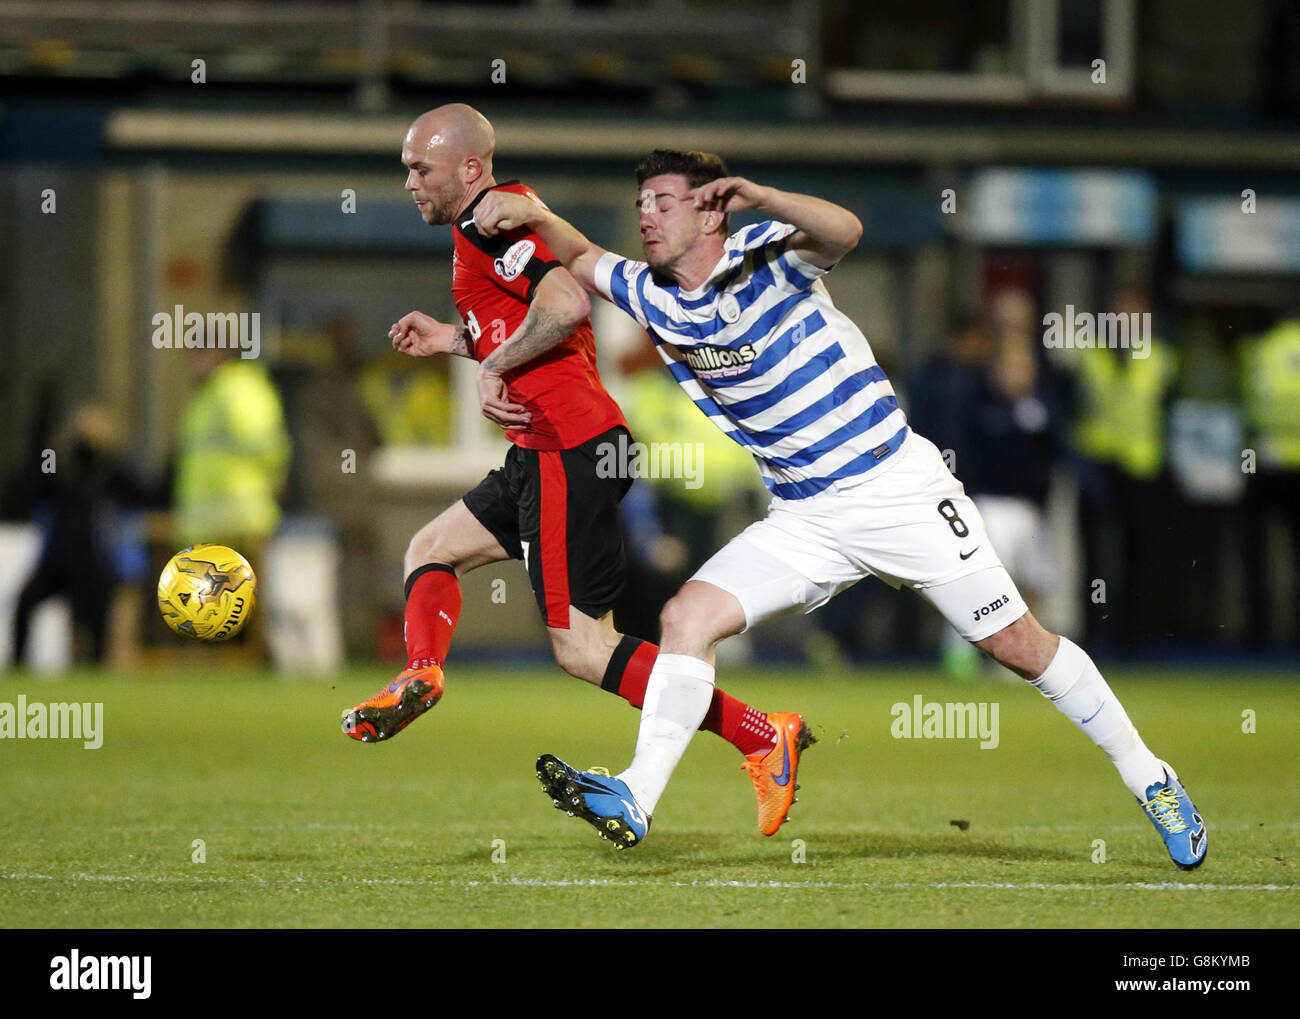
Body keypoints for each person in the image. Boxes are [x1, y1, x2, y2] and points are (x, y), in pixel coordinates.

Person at [473, 149, 1208, 869]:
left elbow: (845, 230)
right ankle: (636, 793)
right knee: (684, 617)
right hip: (804, 517)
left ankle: (1153, 778)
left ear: (710, 210)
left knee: (1020, 645)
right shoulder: (647, 289)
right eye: (642, 207)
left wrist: (762, 194)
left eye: (663, 203)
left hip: (898, 492)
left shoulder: (765, 254)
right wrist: (533, 213)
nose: (648, 219)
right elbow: (579, 251)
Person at [340, 108, 813, 838]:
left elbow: (563, 305)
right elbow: (529, 323)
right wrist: (458, 341)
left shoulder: (488, 225)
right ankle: (423, 671)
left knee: (584, 648)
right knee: (430, 548)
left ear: (469, 169)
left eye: (419, 169)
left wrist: (493, 364)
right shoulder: (497, 225)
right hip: (546, 451)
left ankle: (759, 733)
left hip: (572, 447)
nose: (409, 183)